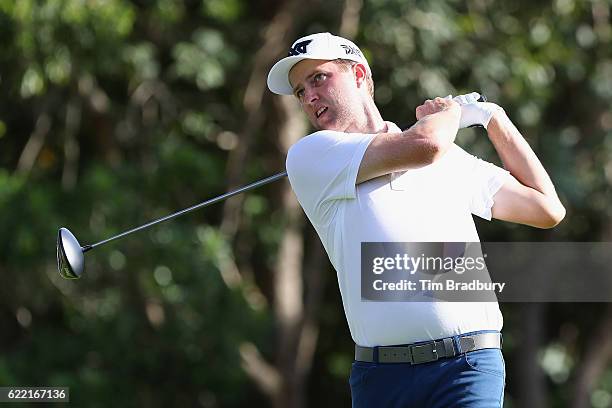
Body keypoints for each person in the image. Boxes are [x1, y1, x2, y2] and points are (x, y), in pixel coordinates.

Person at [267, 32, 565, 407]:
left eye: (318, 78)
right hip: (382, 380)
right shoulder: (311, 155)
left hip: (468, 367)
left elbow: (546, 209)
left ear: (359, 74)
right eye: (299, 91)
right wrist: (452, 113)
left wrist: (493, 118)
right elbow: (427, 145)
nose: (309, 96)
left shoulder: (446, 156)